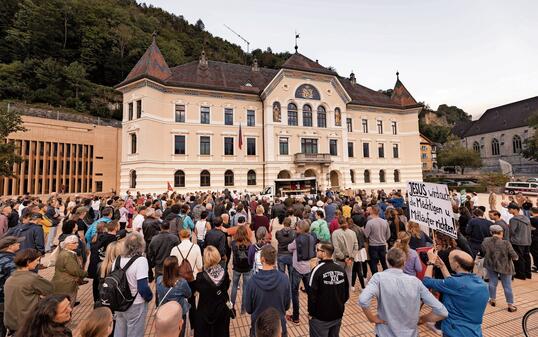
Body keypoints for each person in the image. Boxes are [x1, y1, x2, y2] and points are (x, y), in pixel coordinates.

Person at [359, 248, 448, 337]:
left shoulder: (378, 277)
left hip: (384, 333)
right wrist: (422, 319)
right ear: (404, 262)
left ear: (387, 261)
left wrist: (372, 318)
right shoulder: (415, 282)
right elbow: (442, 312)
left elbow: (363, 300)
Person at [423, 249, 489, 337]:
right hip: (474, 332)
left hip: (454, 331)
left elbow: (426, 281)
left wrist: (431, 262)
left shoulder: (455, 284)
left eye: (449, 259)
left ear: (456, 265)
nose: (448, 261)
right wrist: (442, 266)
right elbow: (456, 285)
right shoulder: (482, 284)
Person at [244, 245, 291, 337]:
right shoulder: (284, 279)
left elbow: (249, 309)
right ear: (275, 259)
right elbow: (287, 306)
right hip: (279, 328)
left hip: (259, 329)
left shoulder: (252, 282)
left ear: (262, 259)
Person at [4, 248, 53, 334]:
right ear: (28, 262)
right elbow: (50, 289)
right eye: (37, 260)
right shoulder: (32, 278)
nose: (38, 263)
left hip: (11, 322)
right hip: (28, 323)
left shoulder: (9, 279)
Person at [113, 233, 152, 337]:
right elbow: (143, 287)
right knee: (135, 332)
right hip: (135, 302)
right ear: (141, 245)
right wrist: (149, 297)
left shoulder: (117, 259)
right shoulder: (141, 261)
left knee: (120, 330)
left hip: (119, 302)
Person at [308, 243, 349, 337]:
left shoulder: (316, 270)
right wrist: (338, 306)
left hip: (320, 319)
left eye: (318, 250)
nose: (316, 252)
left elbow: (311, 294)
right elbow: (346, 294)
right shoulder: (340, 269)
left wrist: (311, 313)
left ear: (324, 253)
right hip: (337, 315)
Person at [192, 245, 231, 337]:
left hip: (205, 311)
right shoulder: (225, 273)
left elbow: (196, 290)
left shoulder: (200, 277)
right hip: (222, 310)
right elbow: (226, 287)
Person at [481, 225, 518, 312]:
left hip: (490, 265)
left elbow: (483, 252)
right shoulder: (506, 243)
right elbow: (514, 256)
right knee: (507, 286)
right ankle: (510, 305)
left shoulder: (485, 241)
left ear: (491, 232)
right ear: (501, 233)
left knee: (492, 282)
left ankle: (493, 300)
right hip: (505, 267)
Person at [170, 229, 202, 330]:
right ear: (190, 236)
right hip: (192, 278)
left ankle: (180, 327)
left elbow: (172, 265)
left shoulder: (175, 249)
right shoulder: (196, 247)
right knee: (192, 302)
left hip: (179, 279)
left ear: (180, 236)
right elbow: (200, 265)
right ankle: (194, 326)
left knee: (179, 302)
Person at [287, 220, 316, 324]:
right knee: (310, 292)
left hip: (297, 268)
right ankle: (311, 313)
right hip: (308, 267)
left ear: (300, 228)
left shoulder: (297, 240)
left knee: (295, 293)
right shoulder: (312, 237)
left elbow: (289, 248)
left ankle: (296, 317)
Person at [156, 256, 191, 337]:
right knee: (180, 333)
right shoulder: (182, 282)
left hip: (164, 313)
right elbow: (188, 294)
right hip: (179, 313)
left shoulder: (159, 280)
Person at [52, 235, 87, 306]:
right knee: (67, 307)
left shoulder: (66, 253)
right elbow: (75, 270)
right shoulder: (67, 255)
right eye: (74, 243)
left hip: (62, 283)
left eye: (77, 242)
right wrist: (85, 273)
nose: (77, 244)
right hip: (66, 285)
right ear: (67, 244)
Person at [0, 236, 23, 337]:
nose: (19, 244)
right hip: (4, 300)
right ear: (10, 246)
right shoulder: (11, 261)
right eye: (17, 243)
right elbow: (16, 282)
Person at [331, 216, 358, 290]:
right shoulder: (352, 233)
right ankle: (347, 295)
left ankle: (340, 295)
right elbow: (356, 246)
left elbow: (336, 248)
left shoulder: (335, 233)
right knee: (349, 276)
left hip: (340, 260)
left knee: (338, 278)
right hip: (349, 260)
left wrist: (344, 258)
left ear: (338, 223)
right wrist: (351, 258)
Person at [230, 225, 252, 313]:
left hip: (236, 268)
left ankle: (231, 307)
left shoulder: (233, 243)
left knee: (234, 286)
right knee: (246, 288)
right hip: (247, 268)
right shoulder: (249, 244)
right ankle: (243, 308)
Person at [507, 203, 532, 280]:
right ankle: (528, 274)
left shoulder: (513, 219)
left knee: (518, 258)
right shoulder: (526, 218)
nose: (508, 210)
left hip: (517, 242)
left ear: (515, 209)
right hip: (527, 241)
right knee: (527, 257)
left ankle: (521, 274)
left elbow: (512, 232)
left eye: (509, 209)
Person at [363, 206, 390, 274]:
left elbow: (366, 235)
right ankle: (386, 276)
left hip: (373, 245)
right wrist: (383, 239)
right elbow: (388, 235)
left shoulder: (370, 222)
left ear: (373, 211)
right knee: (383, 262)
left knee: (373, 263)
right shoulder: (385, 222)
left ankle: (375, 277)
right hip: (382, 245)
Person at [531, 207, 538, 273]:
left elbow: (530, 228)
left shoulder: (532, 219)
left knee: (535, 252)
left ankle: (537, 266)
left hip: (535, 238)